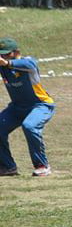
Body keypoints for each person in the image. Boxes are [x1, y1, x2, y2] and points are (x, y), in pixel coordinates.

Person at [0, 38, 55, 176]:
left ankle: (42, 165)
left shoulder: (28, 63)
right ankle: (8, 167)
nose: (3, 57)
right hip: (18, 107)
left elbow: (30, 63)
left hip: (41, 105)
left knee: (30, 126)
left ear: (16, 52)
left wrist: (8, 63)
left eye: (6, 54)